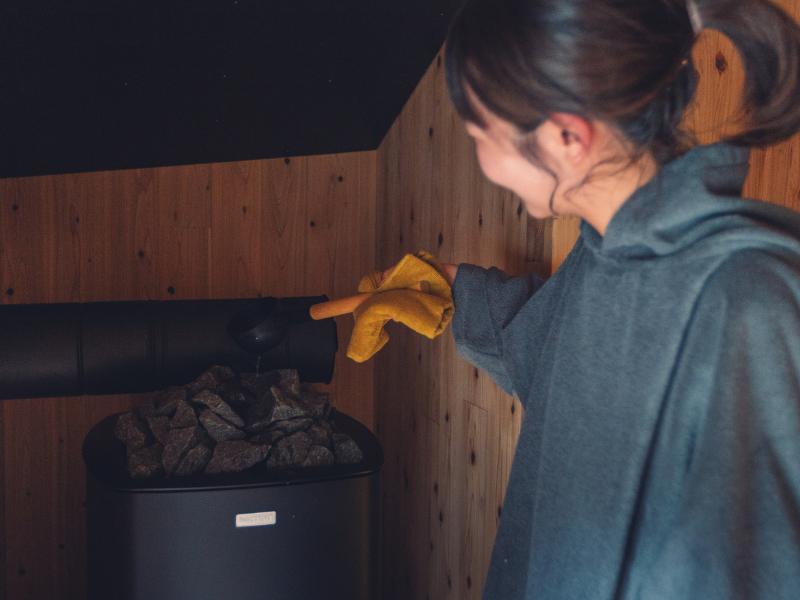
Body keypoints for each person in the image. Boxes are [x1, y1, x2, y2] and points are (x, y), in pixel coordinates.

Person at [416, 0, 800, 597]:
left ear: (568, 137)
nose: (482, 160)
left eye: (479, 134)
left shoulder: (748, 299)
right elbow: (553, 356)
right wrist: (449, 286)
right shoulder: (606, 253)